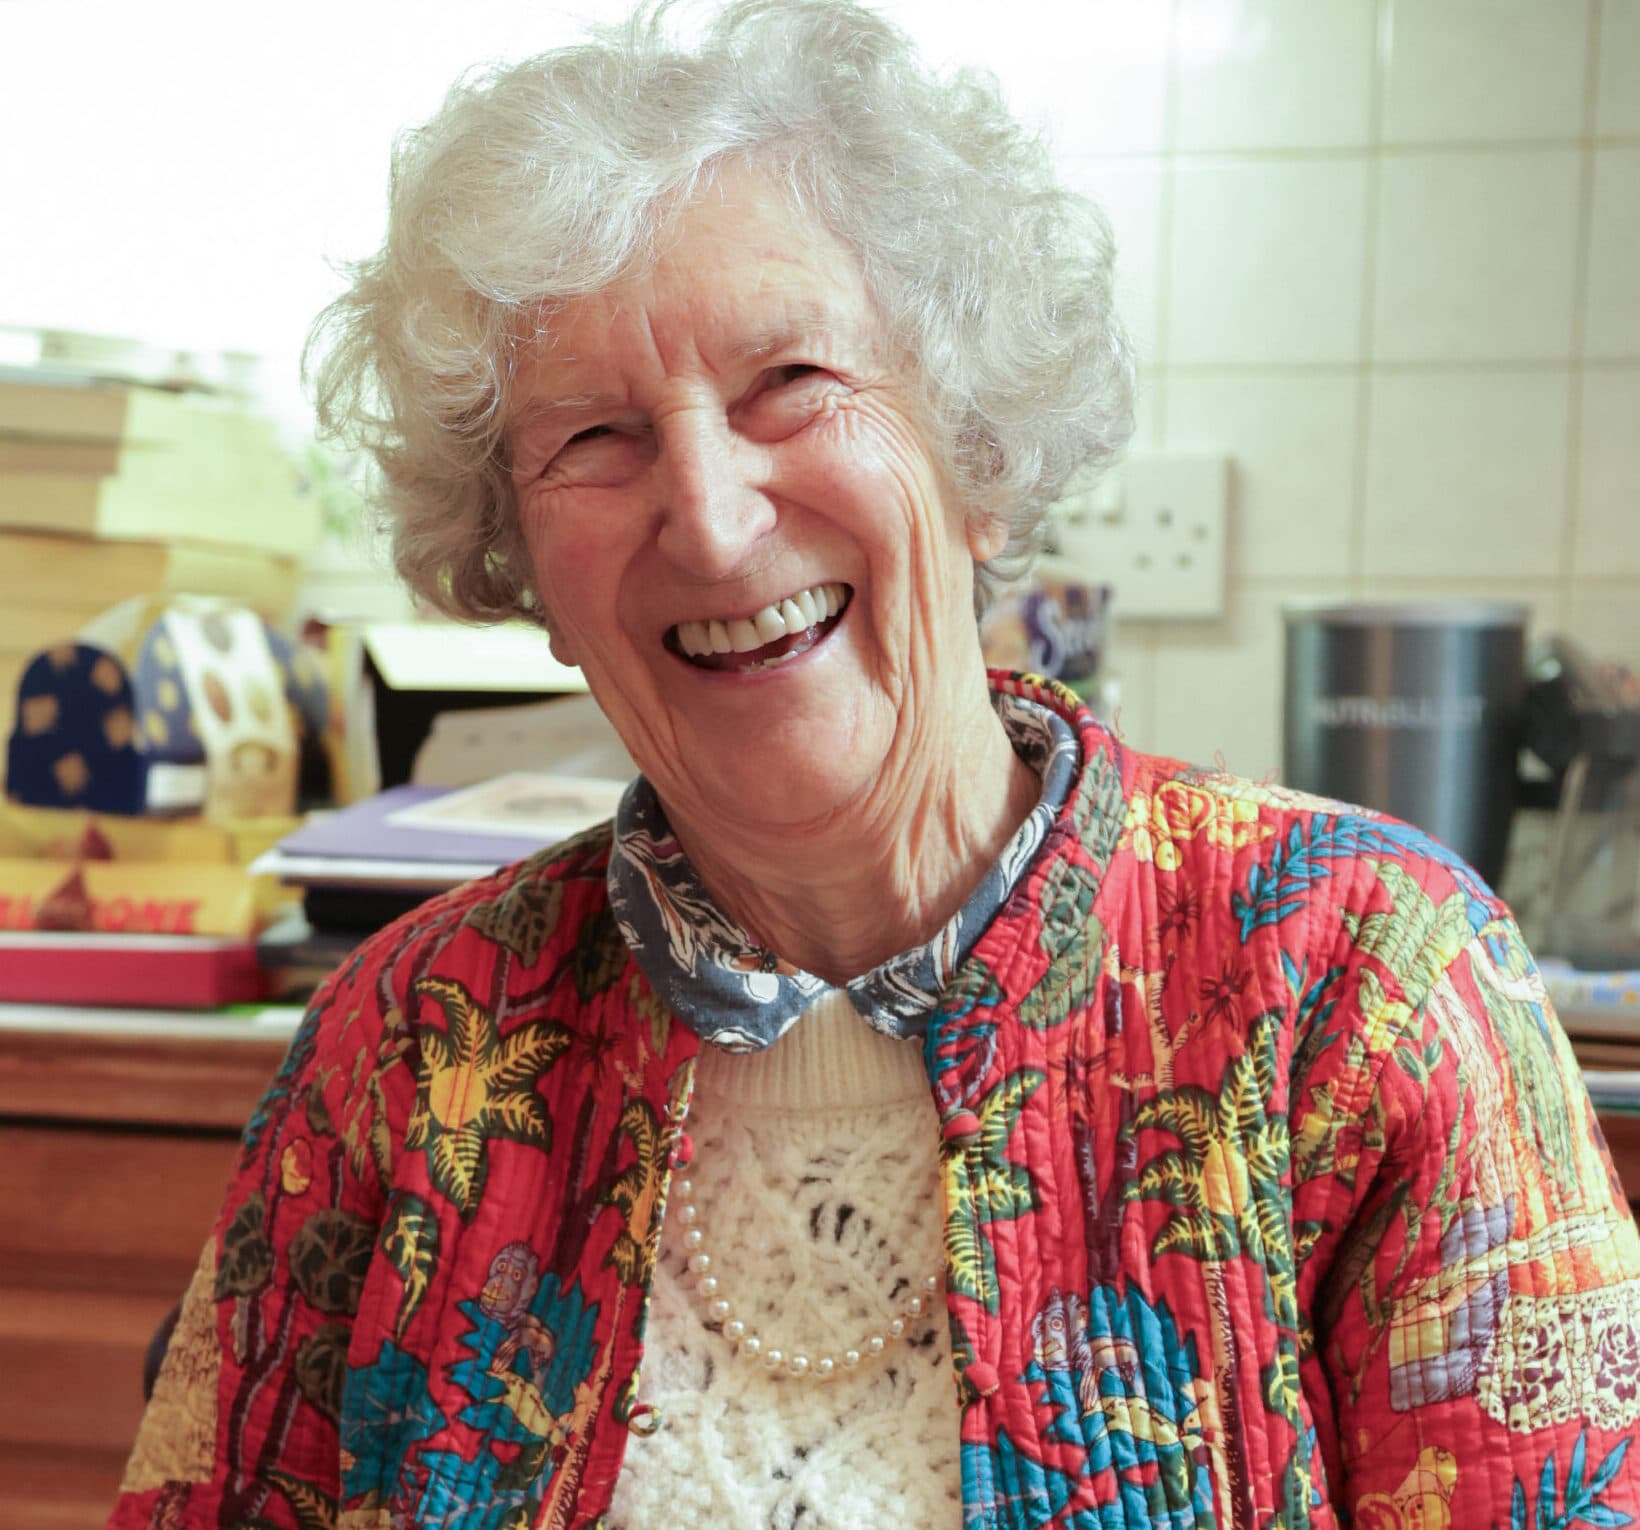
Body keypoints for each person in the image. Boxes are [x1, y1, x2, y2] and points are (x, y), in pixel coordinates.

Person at [110, 2, 1640, 1526]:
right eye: (596, 437)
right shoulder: (403, 1050)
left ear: (971, 457)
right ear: (527, 567)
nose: (709, 517)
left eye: (792, 383)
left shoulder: (1364, 988)